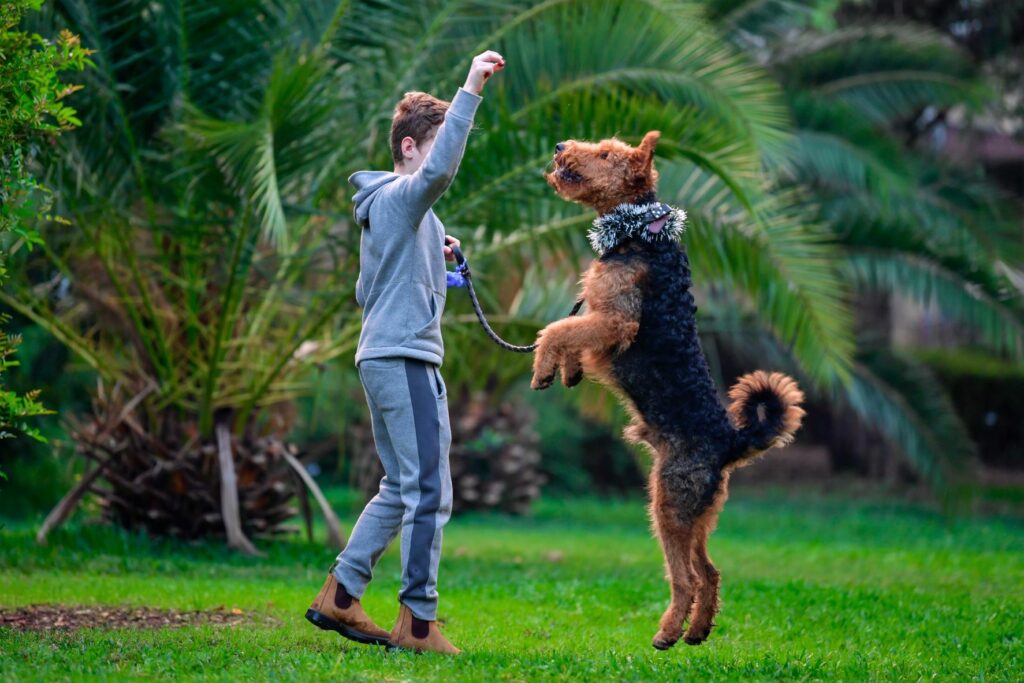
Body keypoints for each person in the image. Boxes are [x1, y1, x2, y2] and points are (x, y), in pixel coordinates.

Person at [306, 50, 505, 655]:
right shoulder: (401, 195)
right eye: (436, 145)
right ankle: (418, 622)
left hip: (384, 357)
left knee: (402, 486)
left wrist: (430, 255)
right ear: (411, 147)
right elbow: (439, 174)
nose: (443, 160)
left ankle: (341, 593)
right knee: (431, 491)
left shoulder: (392, 210)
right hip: (405, 361)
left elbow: (372, 289)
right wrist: (470, 85)